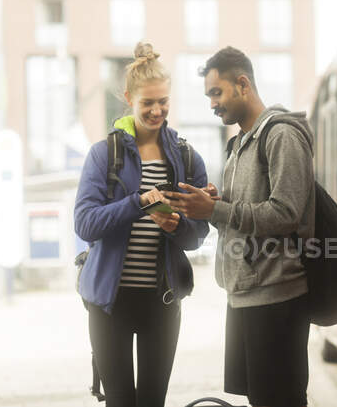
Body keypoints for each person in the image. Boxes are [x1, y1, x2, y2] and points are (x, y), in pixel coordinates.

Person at [168, 46, 315, 407]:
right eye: (209, 96)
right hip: (245, 295)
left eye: (216, 92)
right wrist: (212, 206)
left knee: (279, 400)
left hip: (277, 298)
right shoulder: (237, 145)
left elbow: (286, 213)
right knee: (259, 400)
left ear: (243, 84)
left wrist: (218, 210)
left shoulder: (281, 136)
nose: (212, 104)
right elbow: (241, 218)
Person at [74, 42, 210, 407]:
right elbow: (85, 224)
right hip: (109, 305)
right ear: (128, 98)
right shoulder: (104, 155)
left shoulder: (185, 156)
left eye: (163, 101)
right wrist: (138, 202)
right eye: (147, 103)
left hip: (161, 303)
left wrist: (177, 226)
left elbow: (198, 236)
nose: (156, 110)